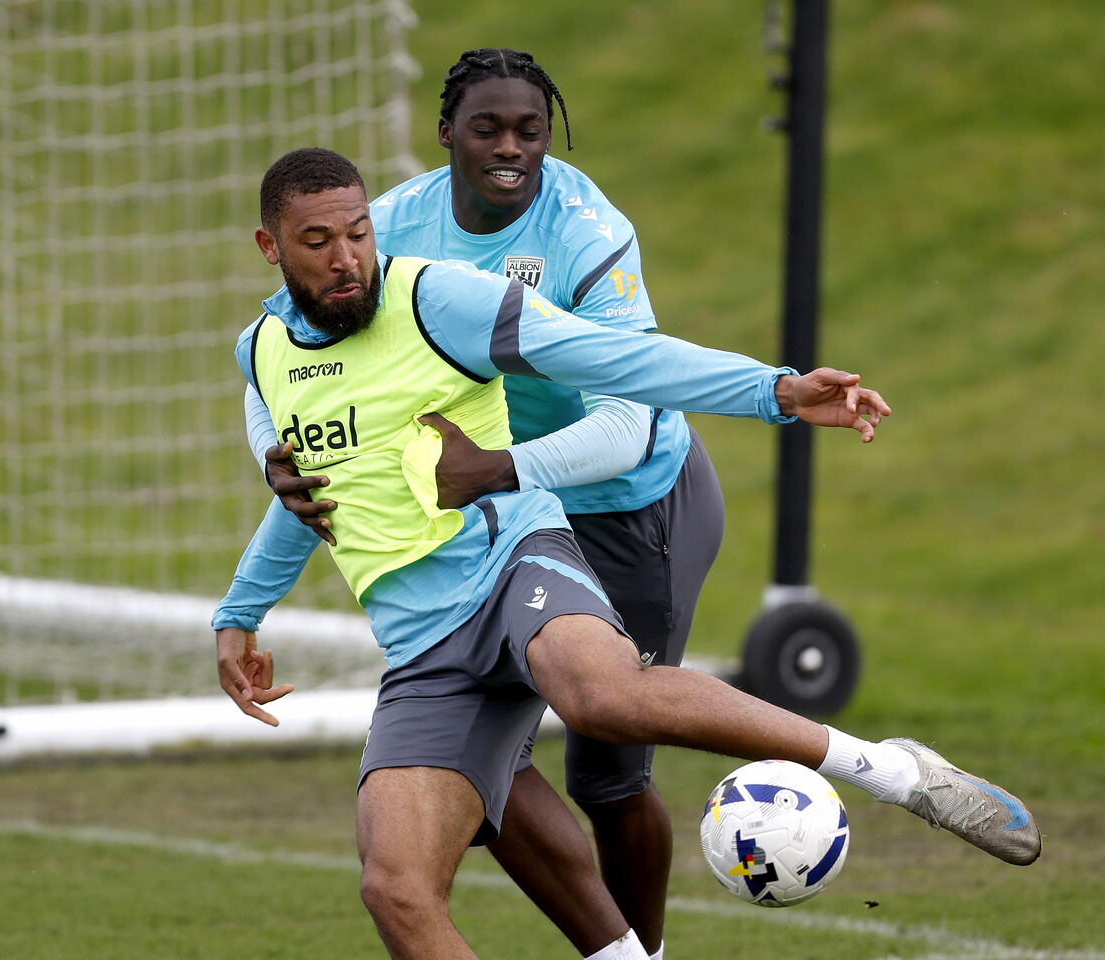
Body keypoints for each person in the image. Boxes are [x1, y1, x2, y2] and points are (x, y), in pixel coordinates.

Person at [214, 147, 1040, 960]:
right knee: (395, 888)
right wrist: (240, 615)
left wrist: (776, 390)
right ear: (271, 248)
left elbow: (617, 358)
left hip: (512, 564)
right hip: (420, 642)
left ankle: (891, 771)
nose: (347, 258)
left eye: (358, 233)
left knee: (599, 697)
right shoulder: (262, 358)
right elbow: (306, 498)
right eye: (318, 242)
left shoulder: (439, 301)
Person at [224, 48, 728, 959]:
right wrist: (271, 447)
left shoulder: (587, 231)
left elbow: (629, 419)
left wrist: (500, 466)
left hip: (628, 502)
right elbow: (274, 338)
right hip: (494, 503)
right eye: (487, 128)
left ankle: (644, 947)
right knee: (480, 767)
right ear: (446, 133)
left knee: (609, 767)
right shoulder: (384, 224)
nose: (510, 149)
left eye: (529, 131)